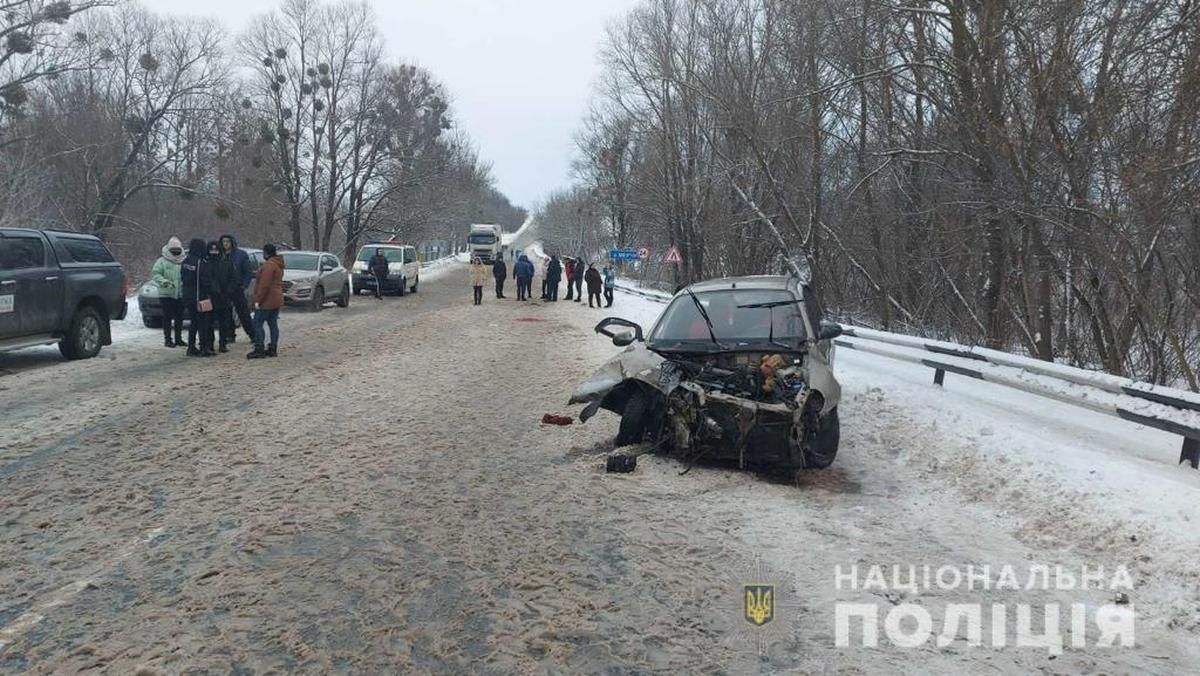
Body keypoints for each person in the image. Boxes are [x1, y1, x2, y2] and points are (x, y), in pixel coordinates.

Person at [248, 244, 285, 359]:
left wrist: (258, 300)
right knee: (272, 323)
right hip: (277, 298)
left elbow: (264, 285)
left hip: (267, 300)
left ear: (266, 253)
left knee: (257, 323)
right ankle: (273, 348)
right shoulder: (278, 264)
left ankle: (259, 348)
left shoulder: (269, 266)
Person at [180, 238, 215, 357]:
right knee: (202, 323)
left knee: (193, 322)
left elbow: (183, 277)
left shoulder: (186, 261)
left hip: (188, 296)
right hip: (200, 296)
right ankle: (204, 348)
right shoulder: (201, 262)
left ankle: (191, 347)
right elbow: (205, 280)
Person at [219, 234, 257, 343]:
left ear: (232, 242)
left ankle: (253, 334)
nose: (225, 244)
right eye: (223, 242)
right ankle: (229, 335)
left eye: (228, 241)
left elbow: (248, 271)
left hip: (237, 288)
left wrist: (244, 285)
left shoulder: (240, 255)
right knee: (226, 313)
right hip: (223, 289)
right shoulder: (220, 255)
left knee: (243, 313)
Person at [151, 237, 185, 348]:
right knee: (167, 317)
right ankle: (168, 339)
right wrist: (164, 282)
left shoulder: (183, 260)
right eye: (173, 250)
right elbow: (156, 274)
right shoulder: (161, 261)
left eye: (177, 250)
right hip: (166, 293)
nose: (176, 252)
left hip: (180, 293)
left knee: (179, 317)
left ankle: (178, 339)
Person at [209, 240, 239, 353]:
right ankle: (210, 344)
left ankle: (222, 343)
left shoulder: (227, 263)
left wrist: (228, 291)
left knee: (223, 322)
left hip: (224, 297)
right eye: (211, 251)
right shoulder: (206, 263)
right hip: (210, 297)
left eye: (216, 250)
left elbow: (234, 279)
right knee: (209, 323)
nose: (214, 253)